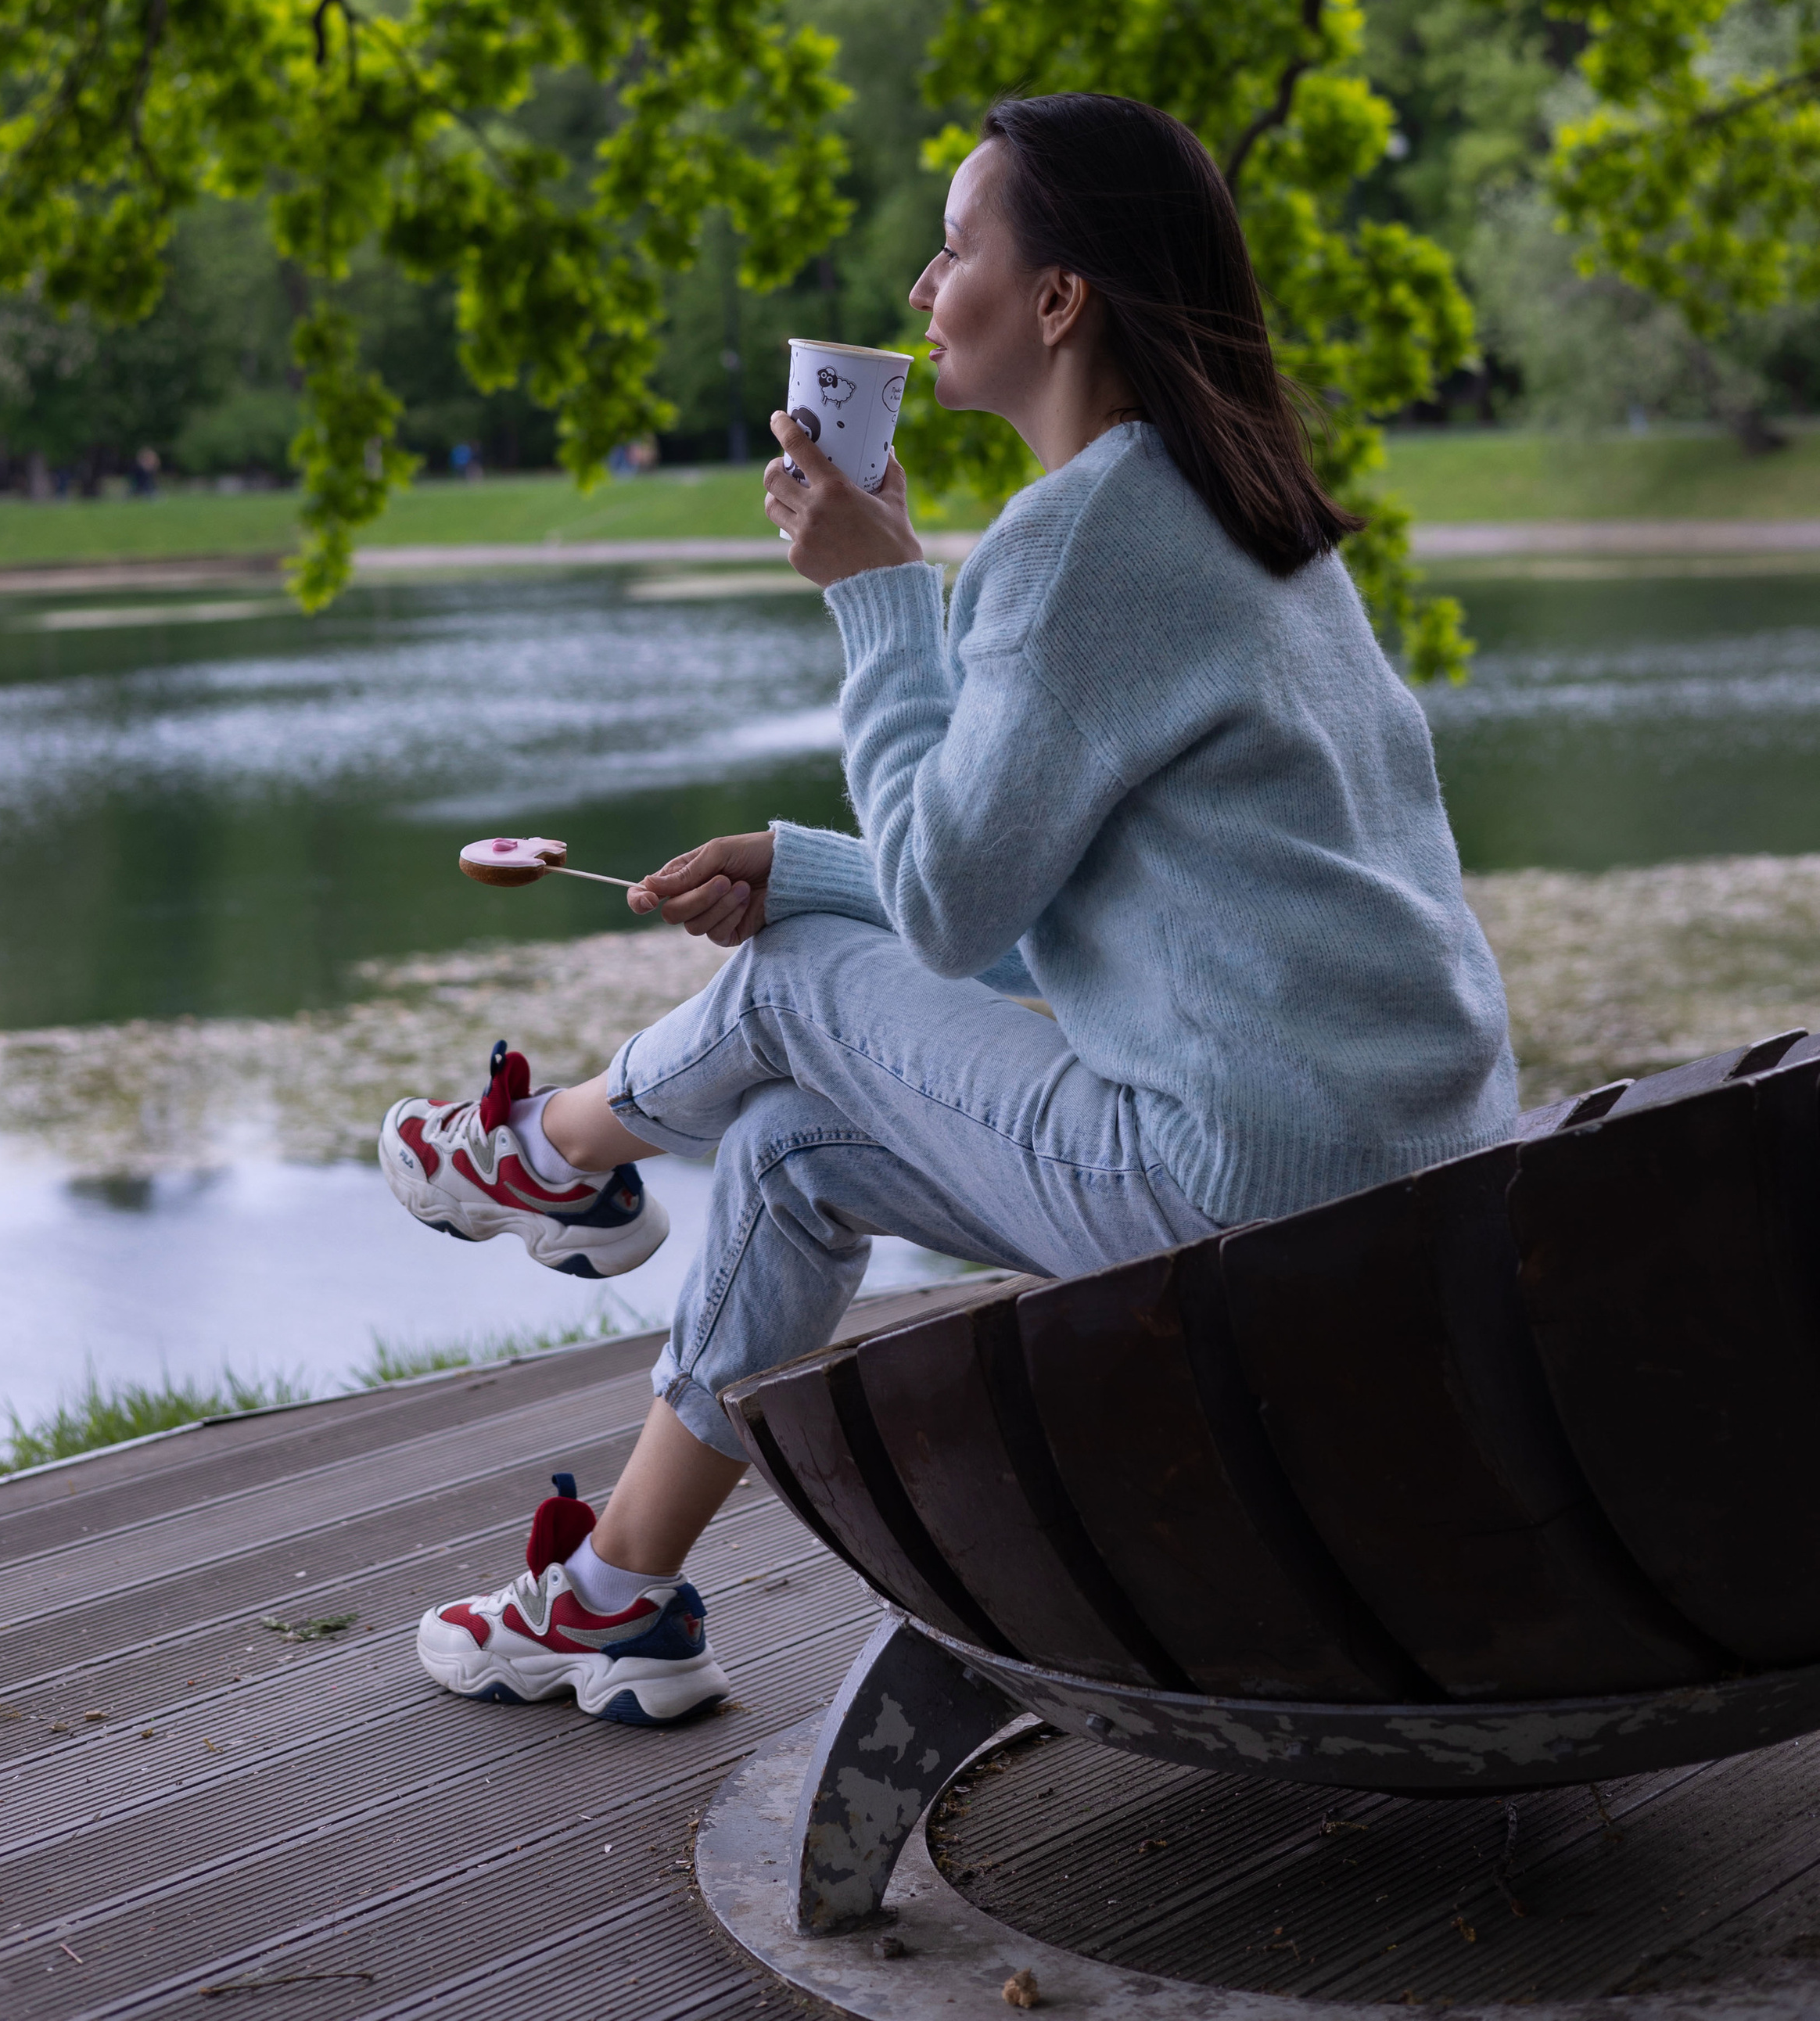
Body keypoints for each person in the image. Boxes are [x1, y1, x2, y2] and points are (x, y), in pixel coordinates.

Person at [378, 92, 1516, 1728]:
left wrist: (874, 594)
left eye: (956, 245)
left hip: (1242, 1191)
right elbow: (1032, 900)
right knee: (781, 1149)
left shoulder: (1081, 542)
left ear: (1057, 300)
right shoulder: (1242, 513)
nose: (921, 287)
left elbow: (935, 909)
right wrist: (802, 853)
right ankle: (612, 1599)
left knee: (787, 990)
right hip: (1393, 1177)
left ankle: (545, 1153)